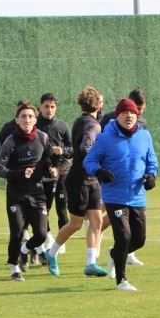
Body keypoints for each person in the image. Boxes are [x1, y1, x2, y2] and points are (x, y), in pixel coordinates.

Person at [84, 98, 158, 291]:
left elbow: (152, 161)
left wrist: (151, 175)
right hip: (114, 196)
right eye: (125, 112)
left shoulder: (145, 136)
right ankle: (121, 280)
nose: (129, 116)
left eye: (133, 113)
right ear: (117, 116)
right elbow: (89, 161)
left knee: (139, 240)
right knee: (123, 237)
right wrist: (99, 171)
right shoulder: (105, 138)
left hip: (138, 196)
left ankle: (114, 254)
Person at [0, 102, 57, 282]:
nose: (27, 120)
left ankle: (24, 250)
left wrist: (51, 169)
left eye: (30, 116)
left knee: (41, 234)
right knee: (17, 233)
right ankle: (14, 268)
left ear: (35, 119)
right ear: (17, 120)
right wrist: (20, 173)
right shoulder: (11, 141)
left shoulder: (43, 138)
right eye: (23, 116)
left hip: (37, 192)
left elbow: (49, 159)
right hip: (16, 194)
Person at [47, 86, 106, 277]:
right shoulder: (93, 125)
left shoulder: (81, 120)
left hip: (92, 179)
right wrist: (96, 158)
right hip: (79, 179)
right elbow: (85, 147)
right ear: (98, 104)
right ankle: (51, 253)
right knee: (76, 224)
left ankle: (91, 264)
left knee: (97, 221)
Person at [100, 87, 148, 268]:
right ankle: (96, 234)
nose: (137, 113)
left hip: (133, 182)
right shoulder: (109, 119)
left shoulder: (142, 124)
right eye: (136, 109)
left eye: (141, 110)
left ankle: (124, 252)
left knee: (130, 227)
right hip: (112, 177)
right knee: (107, 215)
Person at [37, 93, 73, 246]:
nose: (49, 110)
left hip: (61, 175)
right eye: (46, 106)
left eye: (52, 107)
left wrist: (62, 151)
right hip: (41, 175)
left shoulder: (62, 126)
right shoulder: (34, 126)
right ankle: (47, 236)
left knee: (62, 209)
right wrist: (47, 166)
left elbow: (72, 149)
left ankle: (61, 242)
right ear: (40, 107)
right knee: (43, 208)